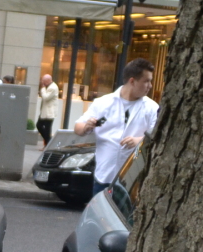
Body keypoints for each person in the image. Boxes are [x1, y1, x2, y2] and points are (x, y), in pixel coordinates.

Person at [74, 58, 159, 198]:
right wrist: (86, 127)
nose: (150, 86)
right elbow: (78, 127)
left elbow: (157, 137)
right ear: (132, 81)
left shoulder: (152, 108)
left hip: (132, 182)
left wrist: (139, 140)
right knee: (99, 218)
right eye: (146, 81)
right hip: (103, 177)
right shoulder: (103, 103)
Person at [37, 73, 59, 148]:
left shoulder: (53, 87)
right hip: (45, 112)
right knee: (40, 126)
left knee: (46, 129)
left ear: (49, 80)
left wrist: (42, 89)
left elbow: (46, 97)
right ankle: (47, 143)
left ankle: (48, 143)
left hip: (49, 113)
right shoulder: (49, 86)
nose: (42, 83)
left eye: (44, 81)